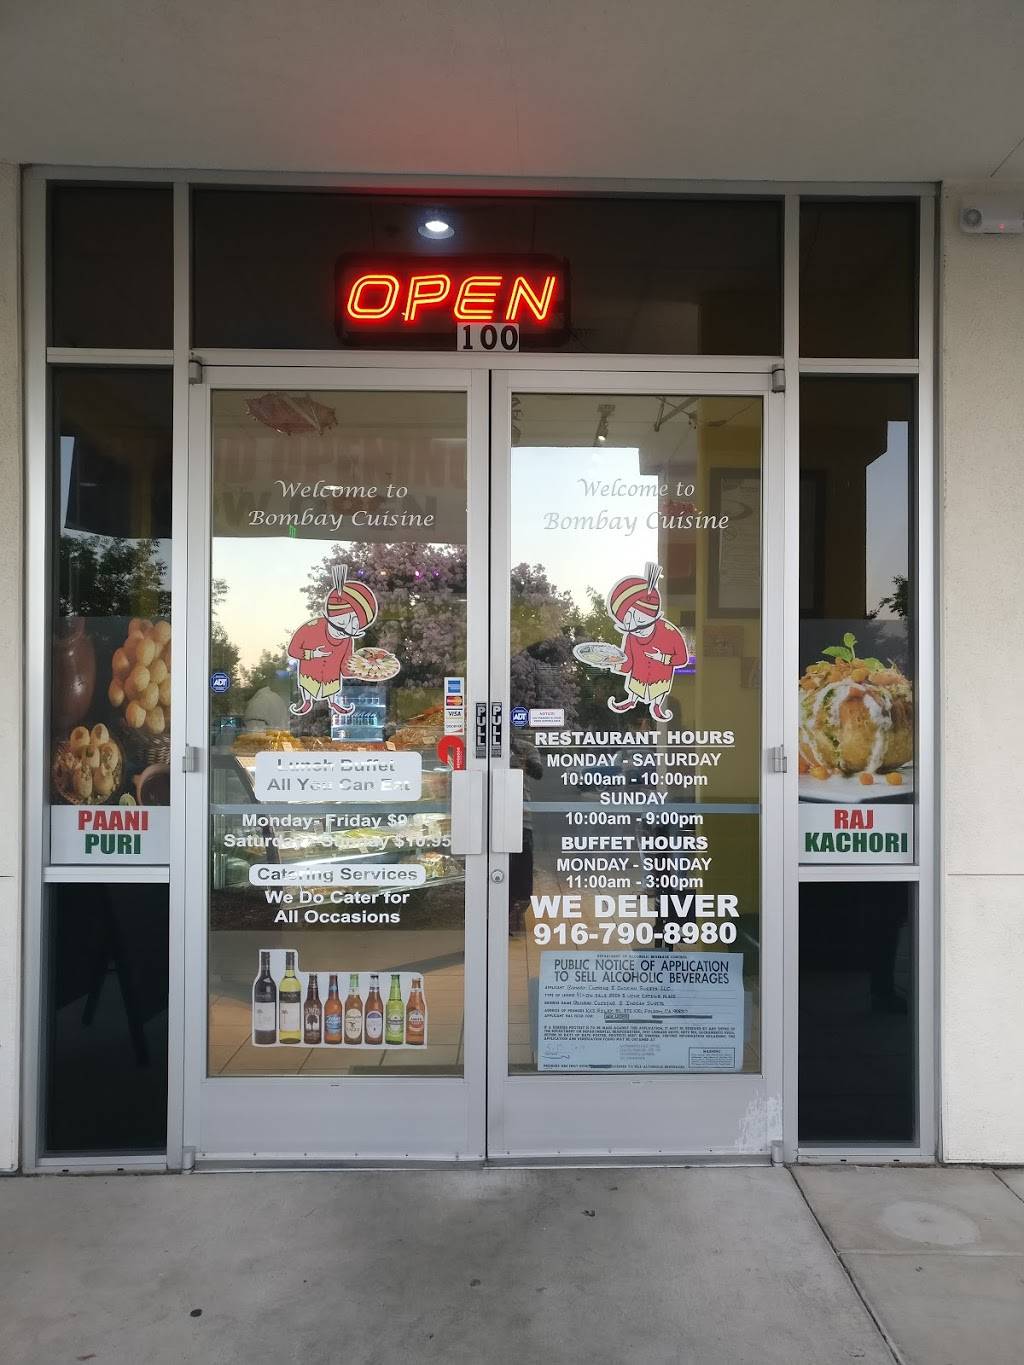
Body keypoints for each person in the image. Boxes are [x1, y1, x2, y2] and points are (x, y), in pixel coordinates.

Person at [287, 563, 379, 718]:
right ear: (330, 616)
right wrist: (312, 654)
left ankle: (334, 703)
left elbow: (345, 665)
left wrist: (361, 670)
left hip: (332, 677)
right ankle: (307, 701)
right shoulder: (311, 628)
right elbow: (293, 650)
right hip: (310, 673)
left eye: (354, 625)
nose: (346, 629)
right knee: (308, 687)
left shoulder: (347, 640)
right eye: (342, 622)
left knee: (332, 690)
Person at [606, 562, 688, 723]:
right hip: (638, 676)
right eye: (627, 621)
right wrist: (615, 663)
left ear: (652, 615)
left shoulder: (670, 632)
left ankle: (657, 706)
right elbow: (628, 661)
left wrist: (662, 658)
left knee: (658, 692)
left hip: (661, 677)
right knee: (636, 689)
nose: (633, 626)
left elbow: (682, 658)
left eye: (639, 619)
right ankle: (631, 701)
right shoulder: (631, 636)